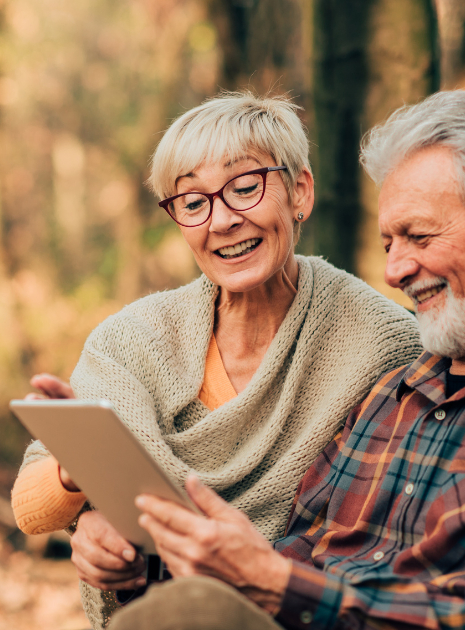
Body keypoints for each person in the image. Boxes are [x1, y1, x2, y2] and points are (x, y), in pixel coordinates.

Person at [108, 89, 465, 630]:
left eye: (418, 236)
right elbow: (291, 558)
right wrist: (138, 561)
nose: (395, 271)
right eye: (389, 242)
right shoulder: (393, 395)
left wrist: (274, 583)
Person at [10, 92, 423, 630]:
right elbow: (30, 506)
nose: (222, 220)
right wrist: (84, 485)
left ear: (300, 191)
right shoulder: (133, 338)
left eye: (245, 188)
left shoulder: (382, 341)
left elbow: (383, 532)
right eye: (193, 202)